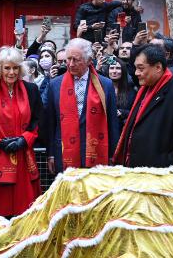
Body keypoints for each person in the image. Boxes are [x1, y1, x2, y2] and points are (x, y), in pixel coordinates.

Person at [0, 47, 43, 217]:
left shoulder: (31, 89)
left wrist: (25, 139)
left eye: (15, 68)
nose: (11, 72)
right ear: (0, 69)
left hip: (22, 153)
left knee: (24, 209)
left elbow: (38, 119)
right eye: (7, 68)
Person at [113, 44, 173, 172]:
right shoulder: (145, 89)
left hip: (161, 175)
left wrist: (166, 164)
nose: (136, 73)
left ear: (158, 67)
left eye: (141, 68)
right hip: (138, 170)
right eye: (135, 68)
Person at [45, 38, 119, 174]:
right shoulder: (55, 85)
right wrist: (50, 154)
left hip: (96, 151)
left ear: (89, 60)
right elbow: (51, 123)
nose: (71, 64)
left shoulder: (105, 85)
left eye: (76, 59)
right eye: (68, 59)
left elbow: (112, 123)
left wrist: (112, 155)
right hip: (64, 151)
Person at [102, 58, 136, 132]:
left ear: (123, 71)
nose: (114, 71)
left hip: (123, 130)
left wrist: (122, 112)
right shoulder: (102, 89)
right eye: (111, 68)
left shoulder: (131, 91)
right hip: (105, 129)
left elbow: (135, 112)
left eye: (117, 68)